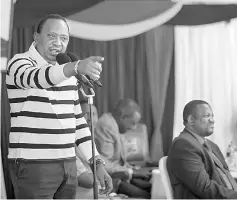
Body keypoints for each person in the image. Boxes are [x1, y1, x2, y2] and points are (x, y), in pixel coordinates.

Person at [6, 14, 112, 199]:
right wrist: (75, 67)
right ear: (36, 37)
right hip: (33, 163)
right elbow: (39, 78)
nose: (58, 43)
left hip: (68, 164)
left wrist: (96, 162)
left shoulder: (68, 73)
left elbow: (78, 123)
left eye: (63, 38)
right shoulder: (20, 63)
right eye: (51, 36)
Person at [167, 100, 237, 199]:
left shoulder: (212, 146)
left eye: (212, 116)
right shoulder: (183, 145)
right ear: (191, 120)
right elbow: (204, 188)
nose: (212, 120)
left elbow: (226, 177)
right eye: (207, 116)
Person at [94, 98, 153, 198]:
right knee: (148, 196)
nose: (133, 128)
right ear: (122, 117)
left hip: (120, 178)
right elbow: (105, 164)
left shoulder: (115, 125)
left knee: (152, 188)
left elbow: (120, 161)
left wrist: (134, 169)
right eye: (133, 123)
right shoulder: (107, 125)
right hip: (111, 182)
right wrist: (132, 172)